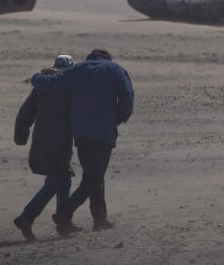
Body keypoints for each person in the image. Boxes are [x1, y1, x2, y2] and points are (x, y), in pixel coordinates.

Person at [31, 48, 134, 236]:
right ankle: (64, 213)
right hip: (103, 133)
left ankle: (100, 218)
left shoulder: (78, 69)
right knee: (93, 178)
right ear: (108, 58)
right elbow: (127, 98)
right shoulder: (115, 70)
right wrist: (117, 119)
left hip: (80, 133)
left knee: (94, 175)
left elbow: (52, 83)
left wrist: (35, 78)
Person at [12, 55, 79, 240]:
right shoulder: (69, 89)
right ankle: (26, 217)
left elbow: (25, 113)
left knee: (64, 178)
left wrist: (21, 136)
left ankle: (64, 222)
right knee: (55, 182)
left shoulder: (40, 88)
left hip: (42, 141)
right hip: (59, 143)